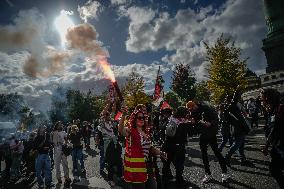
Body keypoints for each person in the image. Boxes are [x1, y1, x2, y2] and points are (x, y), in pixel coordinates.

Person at [118, 104, 167, 189]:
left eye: (143, 118)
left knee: (153, 186)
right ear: (134, 119)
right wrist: (123, 115)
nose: (142, 119)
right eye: (139, 118)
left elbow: (149, 147)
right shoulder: (130, 130)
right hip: (136, 169)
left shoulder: (146, 132)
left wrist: (160, 152)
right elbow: (121, 130)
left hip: (148, 165)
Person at [186, 101, 229, 183]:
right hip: (203, 134)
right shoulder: (193, 112)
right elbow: (195, 123)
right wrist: (192, 122)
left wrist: (210, 123)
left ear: (195, 105)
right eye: (190, 110)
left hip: (211, 133)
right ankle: (207, 174)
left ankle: (225, 173)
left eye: (192, 108)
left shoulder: (206, 107)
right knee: (204, 155)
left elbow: (216, 119)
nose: (191, 111)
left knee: (217, 152)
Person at [161, 106, 192, 186]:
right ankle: (179, 180)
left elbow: (163, 130)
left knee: (167, 162)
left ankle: (165, 179)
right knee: (179, 164)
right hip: (179, 146)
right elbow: (189, 134)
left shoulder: (170, 120)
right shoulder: (184, 123)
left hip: (167, 144)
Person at [261, 88, 284, 188]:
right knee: (275, 169)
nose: (260, 99)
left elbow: (274, 130)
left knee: (274, 169)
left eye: (261, 97)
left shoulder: (279, 108)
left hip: (281, 145)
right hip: (278, 144)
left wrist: (266, 146)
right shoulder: (274, 109)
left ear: (267, 97)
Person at [98, 100, 122, 186]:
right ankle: (110, 179)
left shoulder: (111, 121)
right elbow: (104, 113)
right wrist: (108, 103)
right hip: (108, 144)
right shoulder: (102, 123)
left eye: (108, 115)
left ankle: (119, 175)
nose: (108, 116)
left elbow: (113, 111)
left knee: (119, 160)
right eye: (106, 115)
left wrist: (114, 102)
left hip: (115, 142)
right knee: (111, 162)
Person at [224, 90, 251, 166]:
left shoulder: (230, 107)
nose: (238, 99)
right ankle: (226, 158)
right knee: (237, 144)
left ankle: (243, 159)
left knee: (241, 145)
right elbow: (235, 99)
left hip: (237, 128)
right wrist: (237, 90)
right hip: (238, 128)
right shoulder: (232, 106)